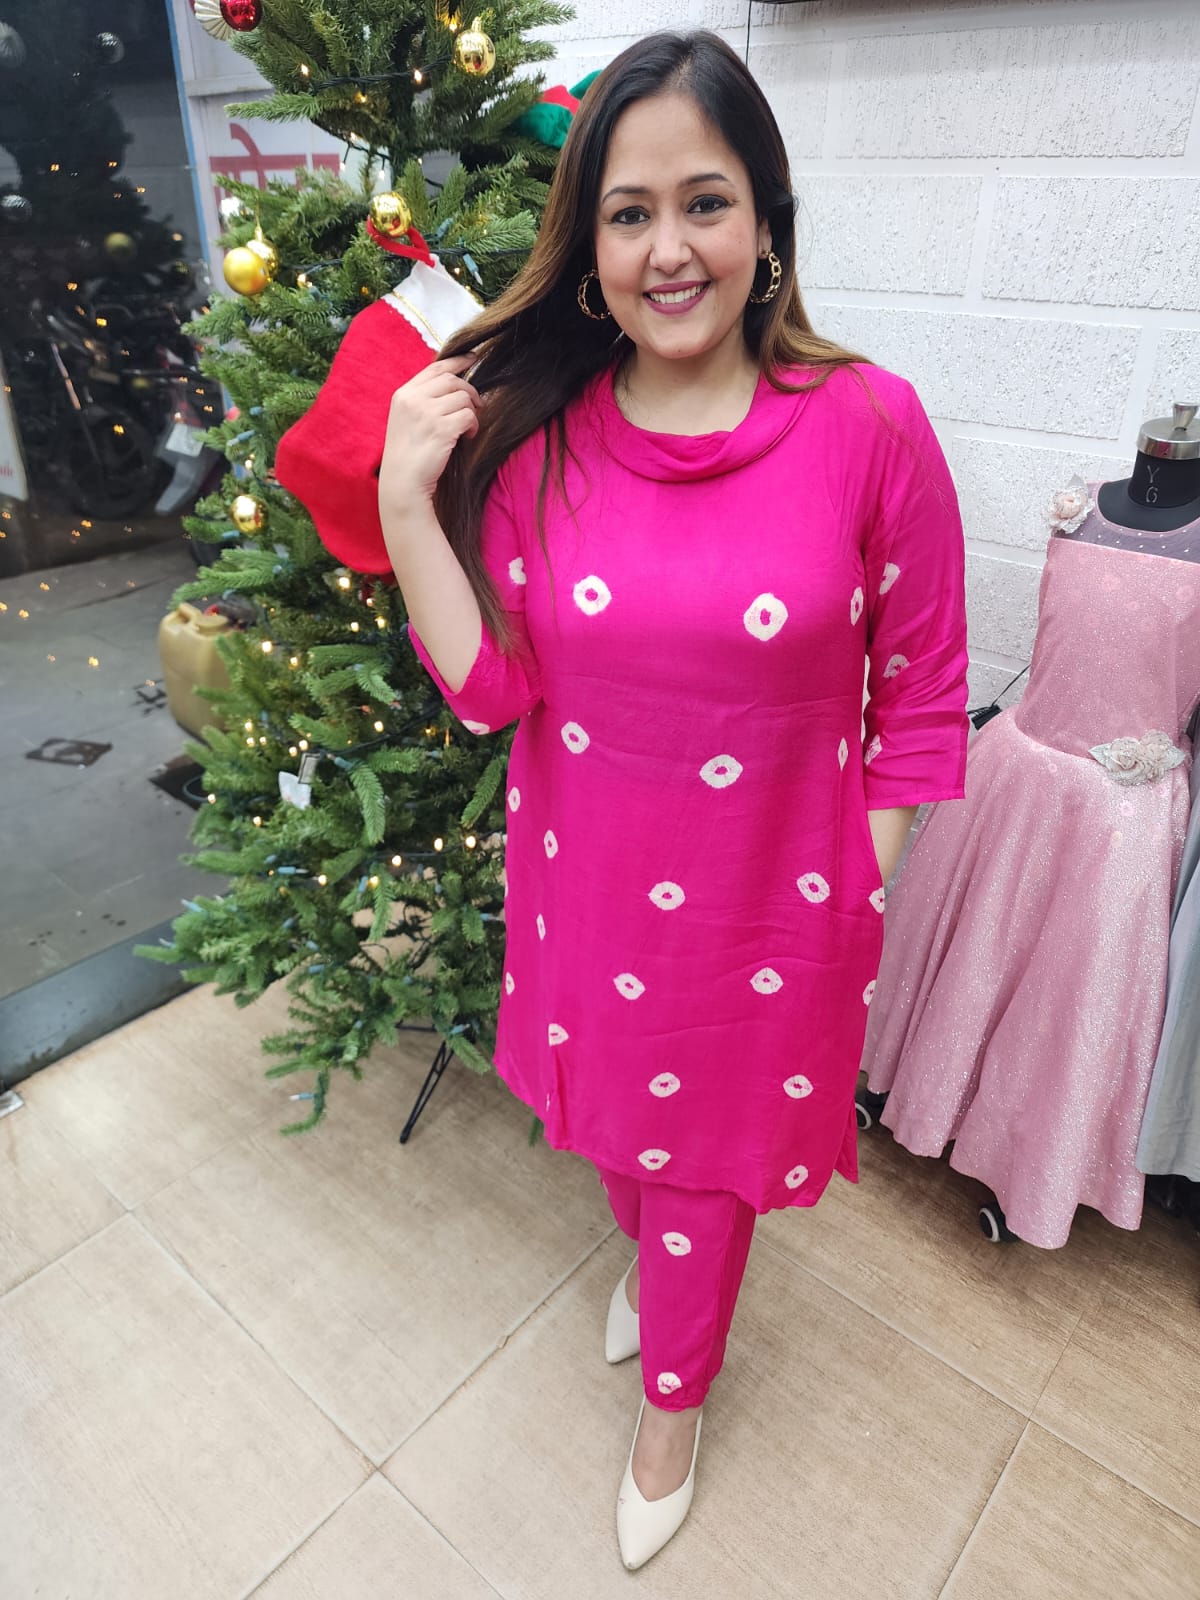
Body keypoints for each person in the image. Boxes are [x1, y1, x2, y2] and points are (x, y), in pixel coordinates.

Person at [378, 29, 969, 1571]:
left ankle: (673, 1407)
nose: (668, 249)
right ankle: (655, 1273)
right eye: (628, 214)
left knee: (705, 1168)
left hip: (772, 915)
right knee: (630, 1153)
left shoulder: (872, 425)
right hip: (589, 895)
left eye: (704, 202)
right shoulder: (545, 444)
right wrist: (402, 506)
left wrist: (858, 884)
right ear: (590, 250)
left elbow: (917, 702)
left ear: (767, 219)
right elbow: (491, 689)